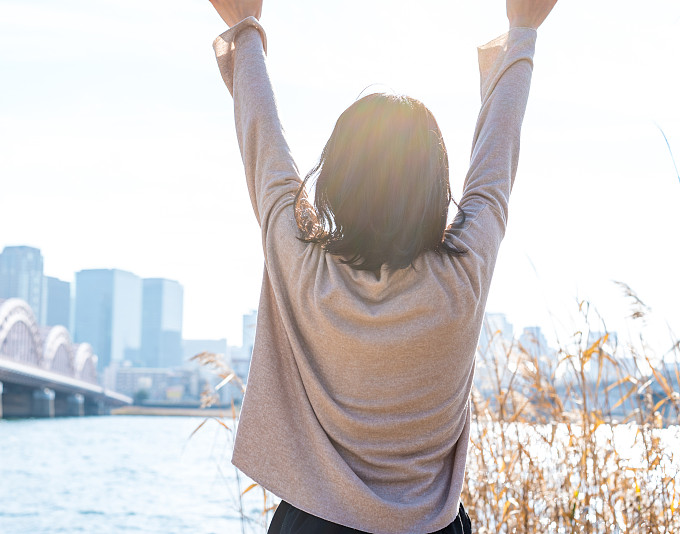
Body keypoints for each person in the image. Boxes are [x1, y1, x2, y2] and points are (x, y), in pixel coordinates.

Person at [207, 1, 557, 532]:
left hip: (315, 523)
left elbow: (263, 139)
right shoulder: (461, 276)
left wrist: (245, 27)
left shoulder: (304, 269)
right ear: (436, 187)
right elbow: (495, 160)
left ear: (335, 180)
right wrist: (523, 31)